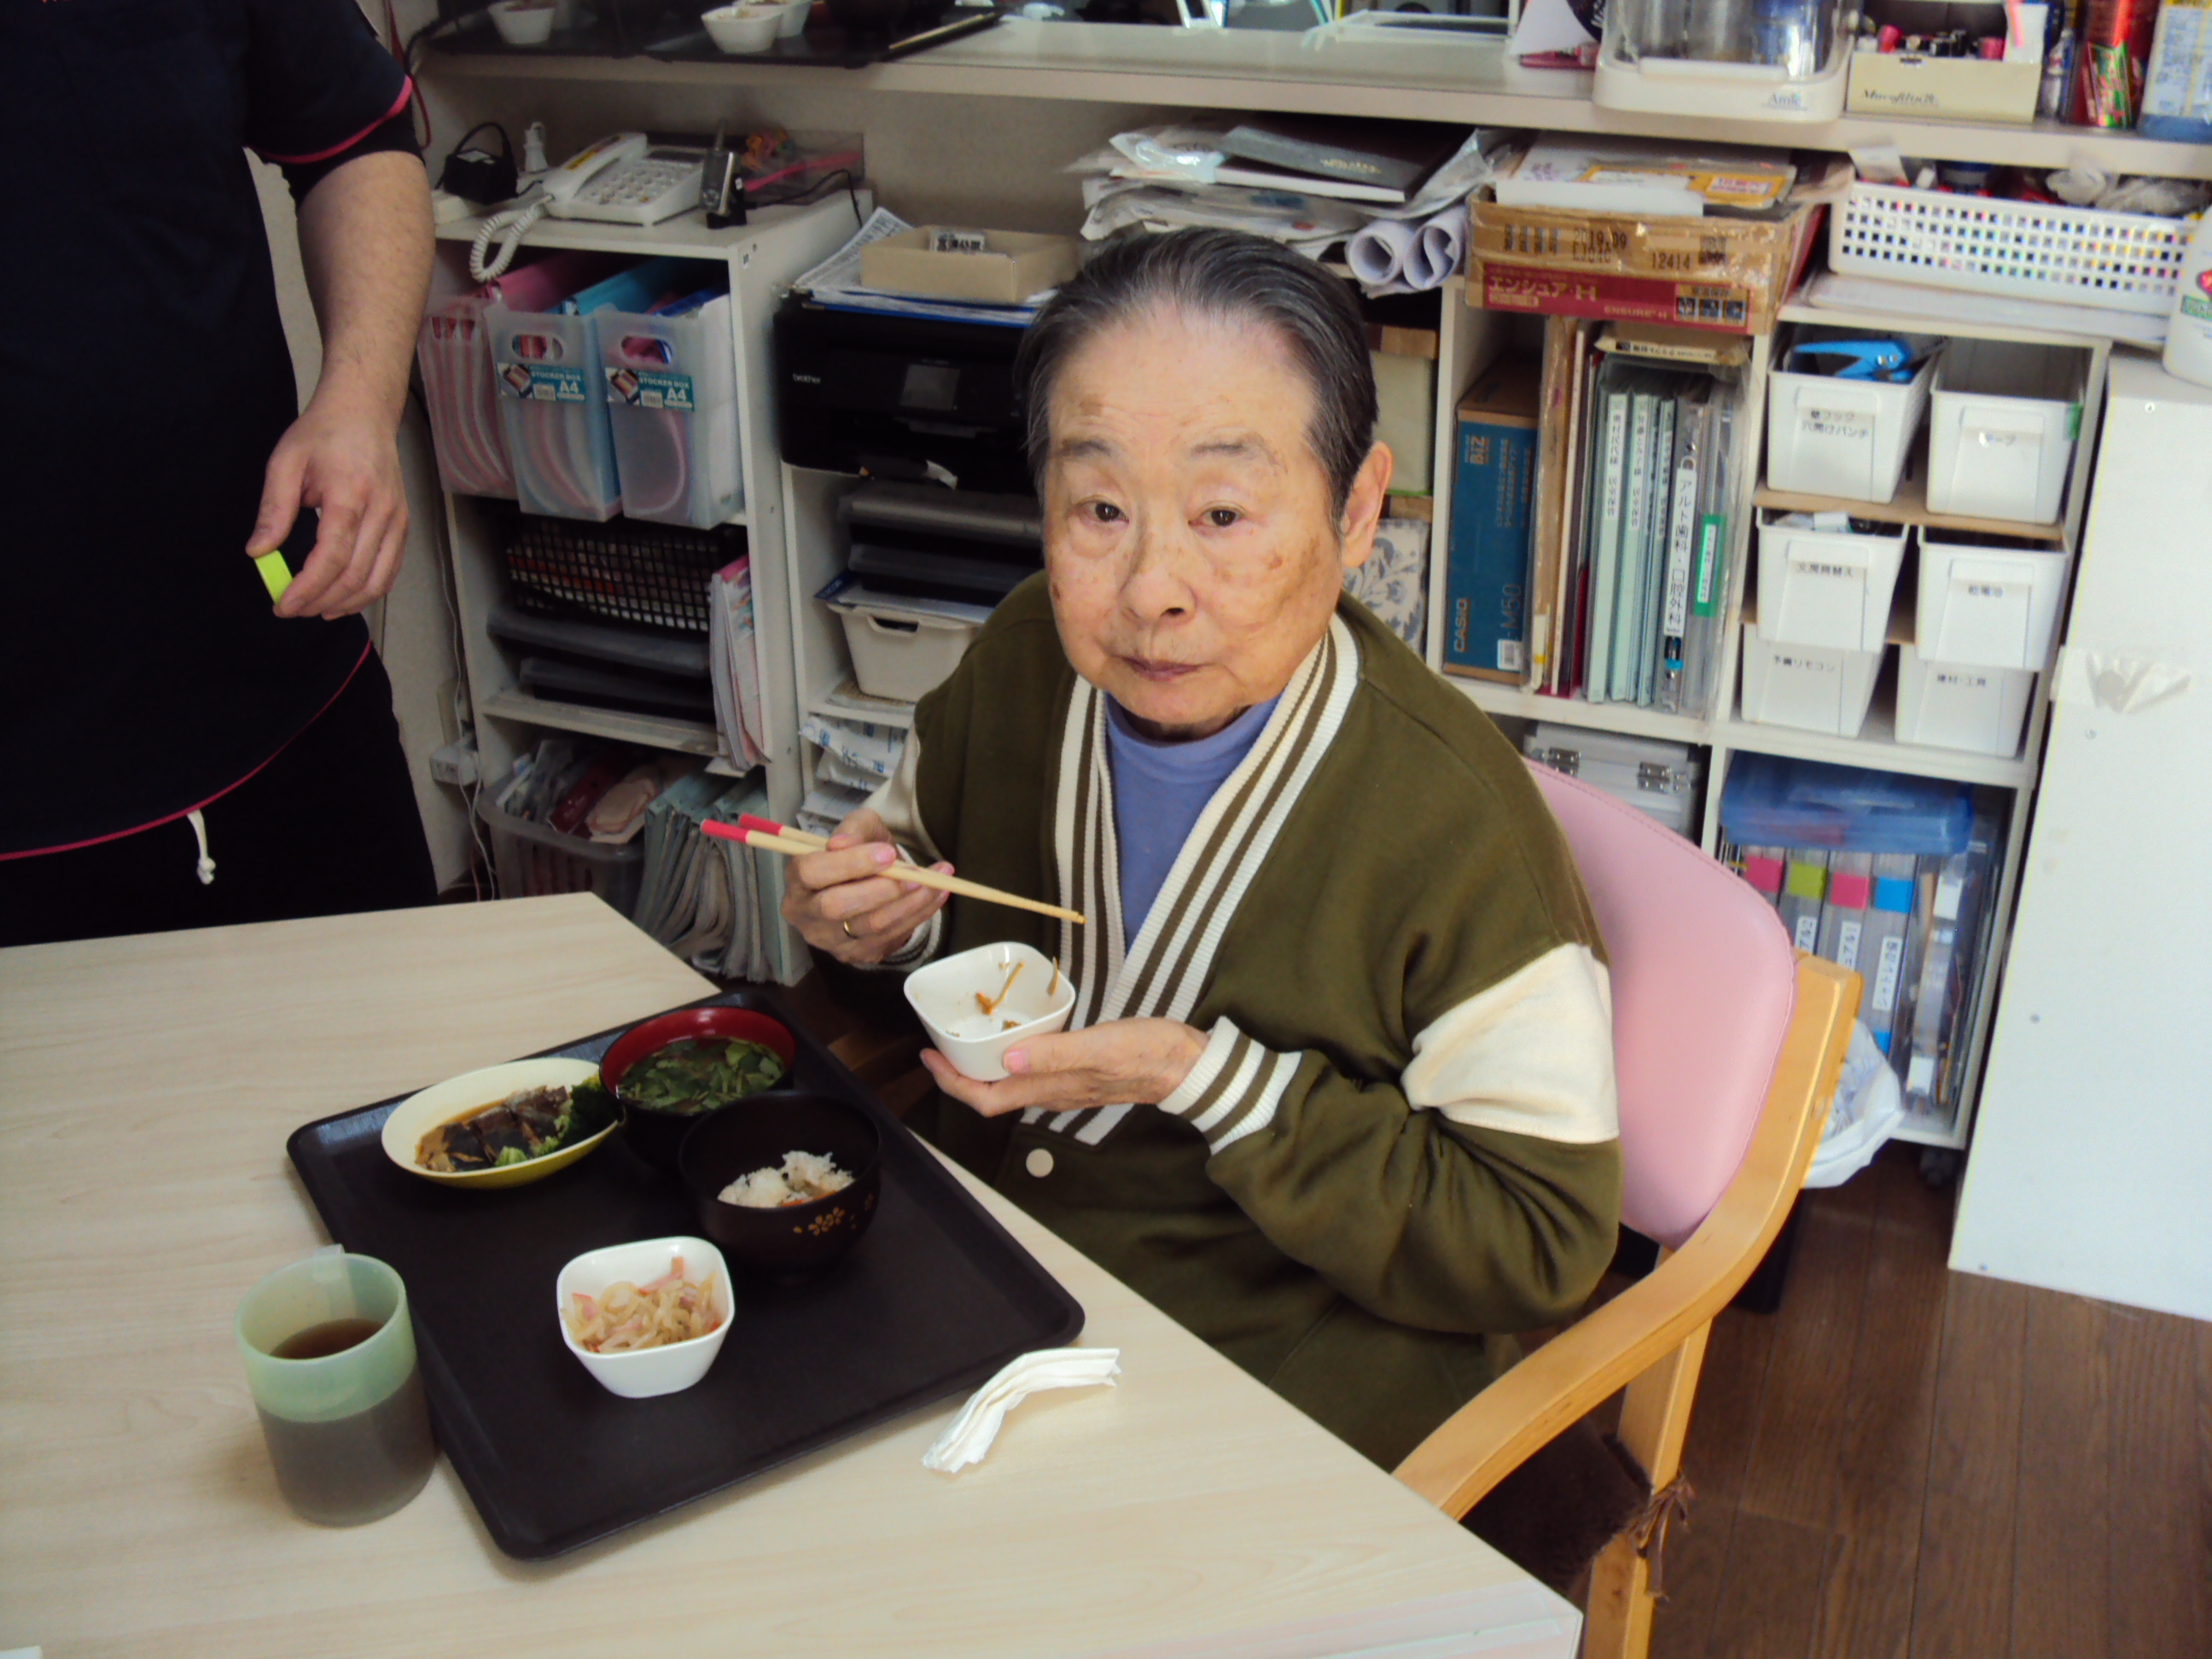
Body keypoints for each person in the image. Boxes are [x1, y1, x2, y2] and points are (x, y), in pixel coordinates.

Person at [783, 230, 1623, 1471]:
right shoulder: (1021, 662)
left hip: (1271, 1366)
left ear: (1357, 510)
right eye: (1101, 510)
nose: (1151, 590)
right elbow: (918, 942)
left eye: (1223, 512)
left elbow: (1538, 1240)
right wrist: (870, 930)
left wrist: (1202, 1078)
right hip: (986, 1276)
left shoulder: (1460, 828)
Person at [0, 0, 438, 947]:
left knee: (405, 1032)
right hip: (25, 826)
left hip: (282, 677)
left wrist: (361, 402)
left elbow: (355, 138)